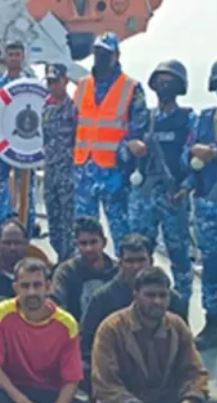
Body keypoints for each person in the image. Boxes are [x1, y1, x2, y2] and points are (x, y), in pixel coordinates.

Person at [0, 258, 105, 403]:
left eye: (37, 285)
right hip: (15, 392)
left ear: (48, 287)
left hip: (50, 395)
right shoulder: (1, 313)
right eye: (25, 286)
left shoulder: (67, 324)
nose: (32, 292)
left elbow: (72, 379)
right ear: (15, 288)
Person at [92, 266, 217, 403]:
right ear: (136, 295)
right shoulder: (111, 328)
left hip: (170, 402)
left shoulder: (177, 325)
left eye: (162, 295)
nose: (157, 301)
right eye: (150, 295)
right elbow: (105, 384)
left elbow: (195, 372)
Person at [80, 233, 188, 390]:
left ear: (151, 261)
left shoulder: (173, 300)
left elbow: (185, 347)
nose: (136, 266)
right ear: (120, 263)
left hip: (162, 376)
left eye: (141, 260)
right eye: (130, 261)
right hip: (117, 375)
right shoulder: (102, 299)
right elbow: (86, 345)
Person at [129, 59, 195, 314]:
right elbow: (125, 147)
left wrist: (185, 187)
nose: (164, 85)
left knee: (179, 258)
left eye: (170, 81)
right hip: (143, 195)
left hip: (173, 196)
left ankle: (180, 314)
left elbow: (193, 157)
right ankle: (140, 310)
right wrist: (131, 146)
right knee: (139, 254)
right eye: (160, 81)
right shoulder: (144, 119)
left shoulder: (187, 119)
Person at [73, 32, 149, 250]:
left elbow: (139, 128)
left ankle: (125, 267)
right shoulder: (82, 85)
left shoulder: (131, 88)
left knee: (121, 230)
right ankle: (84, 268)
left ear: (116, 55)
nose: (101, 57)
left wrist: (129, 148)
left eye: (106, 53)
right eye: (97, 52)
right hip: (84, 168)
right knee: (83, 231)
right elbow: (73, 121)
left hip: (114, 169)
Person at [0, 41, 35, 231]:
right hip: (1, 142)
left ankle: (26, 229)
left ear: (23, 57)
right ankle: (1, 229)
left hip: (25, 142)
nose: (14, 58)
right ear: (5, 58)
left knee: (26, 188)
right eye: (11, 54)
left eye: (17, 54)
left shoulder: (31, 83)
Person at [191, 60, 217, 350]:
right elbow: (188, 153)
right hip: (209, 201)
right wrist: (194, 152)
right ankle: (213, 320)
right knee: (210, 265)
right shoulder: (206, 119)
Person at [51, 216, 118, 323]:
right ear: (76, 244)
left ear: (104, 242)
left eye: (93, 242)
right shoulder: (66, 272)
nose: (89, 248)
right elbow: (55, 306)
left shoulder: (118, 271)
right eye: (83, 243)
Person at [42, 63, 77, 263]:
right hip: (50, 172)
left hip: (68, 173)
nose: (52, 86)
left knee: (68, 222)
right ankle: (60, 257)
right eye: (49, 82)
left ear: (65, 81)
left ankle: (68, 261)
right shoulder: (46, 109)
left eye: (56, 81)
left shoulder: (74, 110)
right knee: (53, 222)